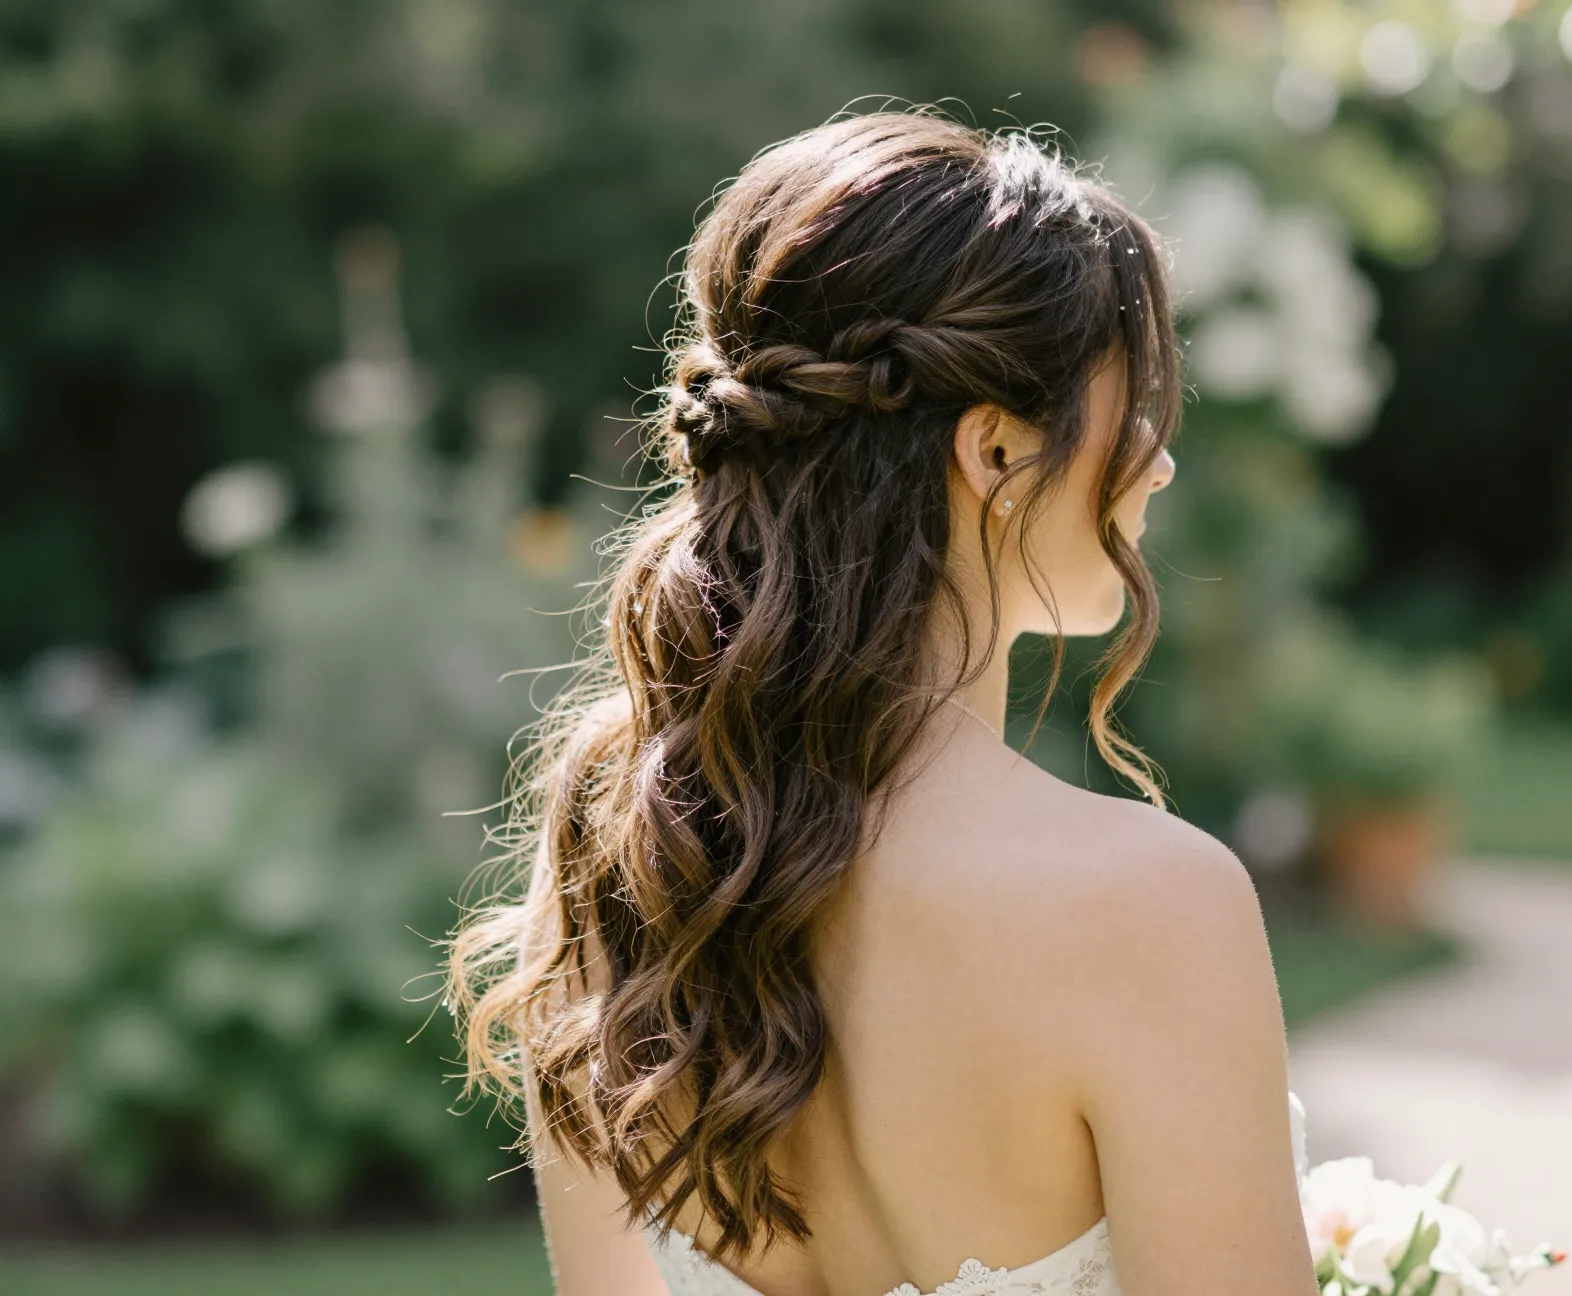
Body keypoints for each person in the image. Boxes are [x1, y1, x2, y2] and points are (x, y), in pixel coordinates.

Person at [448, 109, 1315, 1296]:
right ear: (995, 453)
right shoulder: (1154, 904)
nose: (1159, 459)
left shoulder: (624, 834)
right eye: (1136, 406)